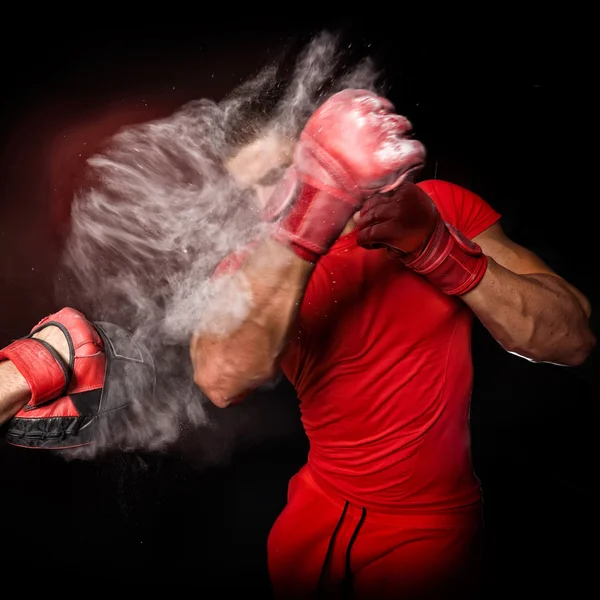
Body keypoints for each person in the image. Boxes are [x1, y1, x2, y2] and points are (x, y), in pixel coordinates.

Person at [190, 89, 596, 599]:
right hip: (313, 513)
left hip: (428, 528)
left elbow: (572, 337)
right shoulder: (252, 268)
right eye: (251, 189)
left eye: (279, 174)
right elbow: (221, 381)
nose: (269, 202)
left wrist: (439, 248)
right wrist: (303, 229)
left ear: (326, 155)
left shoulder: (438, 206)